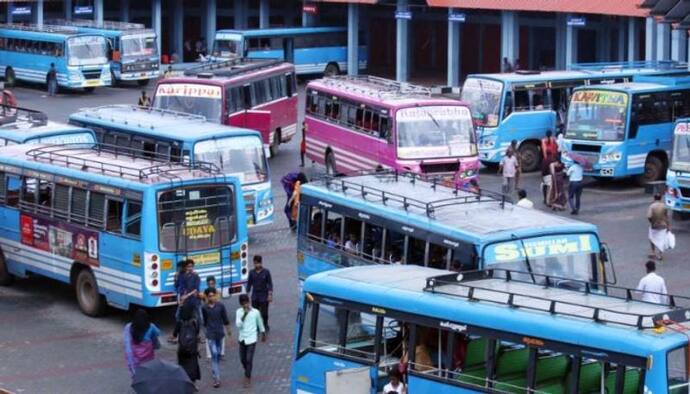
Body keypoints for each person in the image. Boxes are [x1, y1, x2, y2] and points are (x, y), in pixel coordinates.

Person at [236, 294, 266, 388]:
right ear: (241, 304)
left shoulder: (255, 312)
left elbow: (260, 322)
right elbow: (238, 325)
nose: (246, 305)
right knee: (243, 359)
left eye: (246, 302)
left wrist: (263, 333)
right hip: (242, 338)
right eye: (243, 303)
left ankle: (247, 377)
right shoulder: (239, 312)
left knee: (249, 359)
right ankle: (247, 370)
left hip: (252, 338)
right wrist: (244, 314)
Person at [203, 287, 231, 389]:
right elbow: (205, 321)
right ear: (207, 297)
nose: (212, 298)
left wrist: (228, 331)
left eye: (213, 295)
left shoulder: (220, 306)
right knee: (214, 353)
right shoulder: (204, 308)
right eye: (209, 296)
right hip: (210, 334)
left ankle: (215, 370)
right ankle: (216, 378)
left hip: (219, 333)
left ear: (216, 295)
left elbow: (225, 319)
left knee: (218, 354)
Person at [169, 259, 201, 342]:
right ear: (186, 267)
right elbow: (178, 286)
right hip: (185, 301)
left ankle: (197, 335)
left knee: (197, 318)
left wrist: (186, 295)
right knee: (179, 317)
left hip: (193, 301)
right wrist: (176, 277)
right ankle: (177, 335)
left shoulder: (195, 276)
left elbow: (196, 289)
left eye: (191, 266)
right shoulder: (181, 276)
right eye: (188, 266)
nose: (190, 268)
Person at [123, 309, 161, 377]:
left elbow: (127, 344)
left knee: (137, 373)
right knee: (148, 370)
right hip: (148, 356)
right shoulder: (151, 326)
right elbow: (158, 332)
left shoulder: (128, 327)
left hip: (135, 357)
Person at [173, 300, 200, 386]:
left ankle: (184, 383)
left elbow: (174, 334)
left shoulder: (179, 322)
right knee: (193, 365)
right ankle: (193, 383)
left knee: (183, 366)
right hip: (193, 349)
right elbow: (197, 332)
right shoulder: (194, 322)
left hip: (182, 350)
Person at [246, 255, 273, 333]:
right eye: (254, 263)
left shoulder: (266, 272)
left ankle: (265, 324)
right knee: (255, 312)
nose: (256, 265)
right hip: (255, 296)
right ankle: (257, 326)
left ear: (261, 263)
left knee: (264, 313)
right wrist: (246, 294)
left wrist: (270, 294)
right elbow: (249, 284)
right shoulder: (251, 273)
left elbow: (270, 284)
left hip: (264, 295)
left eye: (257, 263)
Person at [647, 193, 671, 261]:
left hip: (654, 225)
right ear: (660, 198)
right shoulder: (664, 206)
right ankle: (660, 254)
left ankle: (653, 252)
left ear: (654, 198)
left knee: (651, 238)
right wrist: (668, 226)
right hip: (663, 225)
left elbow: (649, 216)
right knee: (662, 239)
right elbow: (667, 217)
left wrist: (651, 222)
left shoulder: (652, 206)